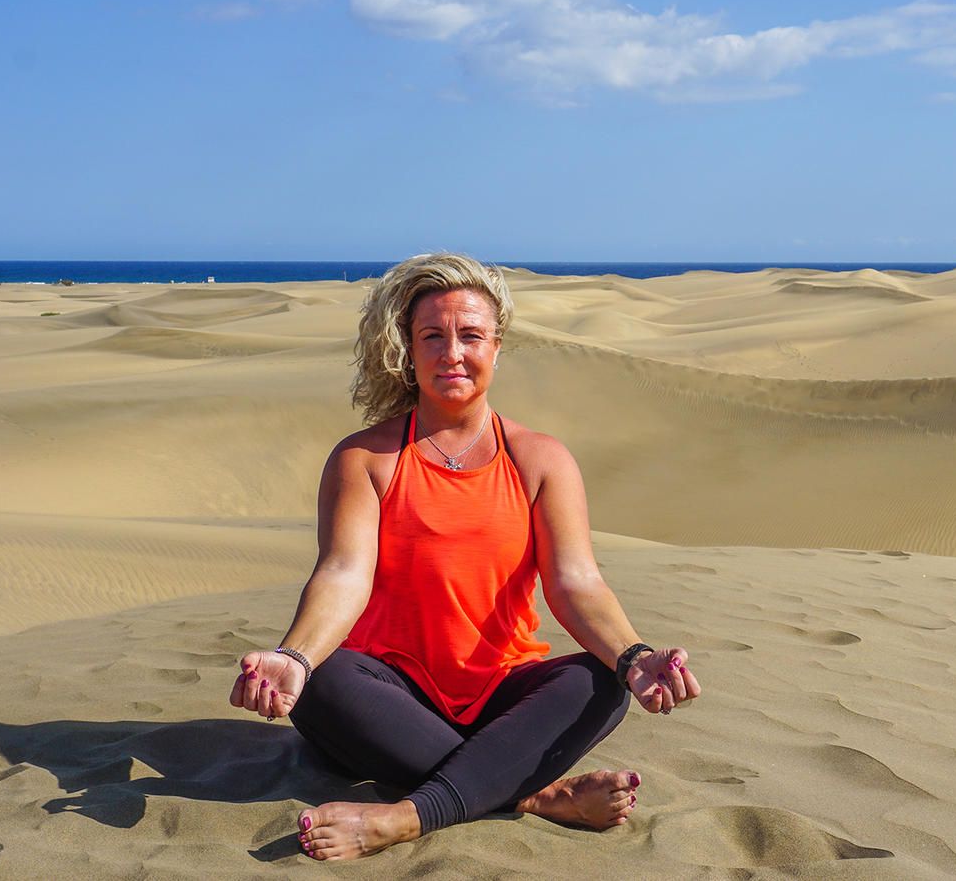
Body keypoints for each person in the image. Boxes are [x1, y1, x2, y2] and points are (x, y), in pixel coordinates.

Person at [230, 252, 703, 861]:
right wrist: (294, 656)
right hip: (391, 701)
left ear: (498, 346)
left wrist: (634, 655)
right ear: (407, 349)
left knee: (599, 681)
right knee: (325, 680)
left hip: (502, 694)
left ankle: (405, 816)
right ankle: (533, 793)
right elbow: (343, 572)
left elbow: (575, 580)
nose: (453, 352)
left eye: (471, 335)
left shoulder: (541, 459)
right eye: (432, 335)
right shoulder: (365, 460)